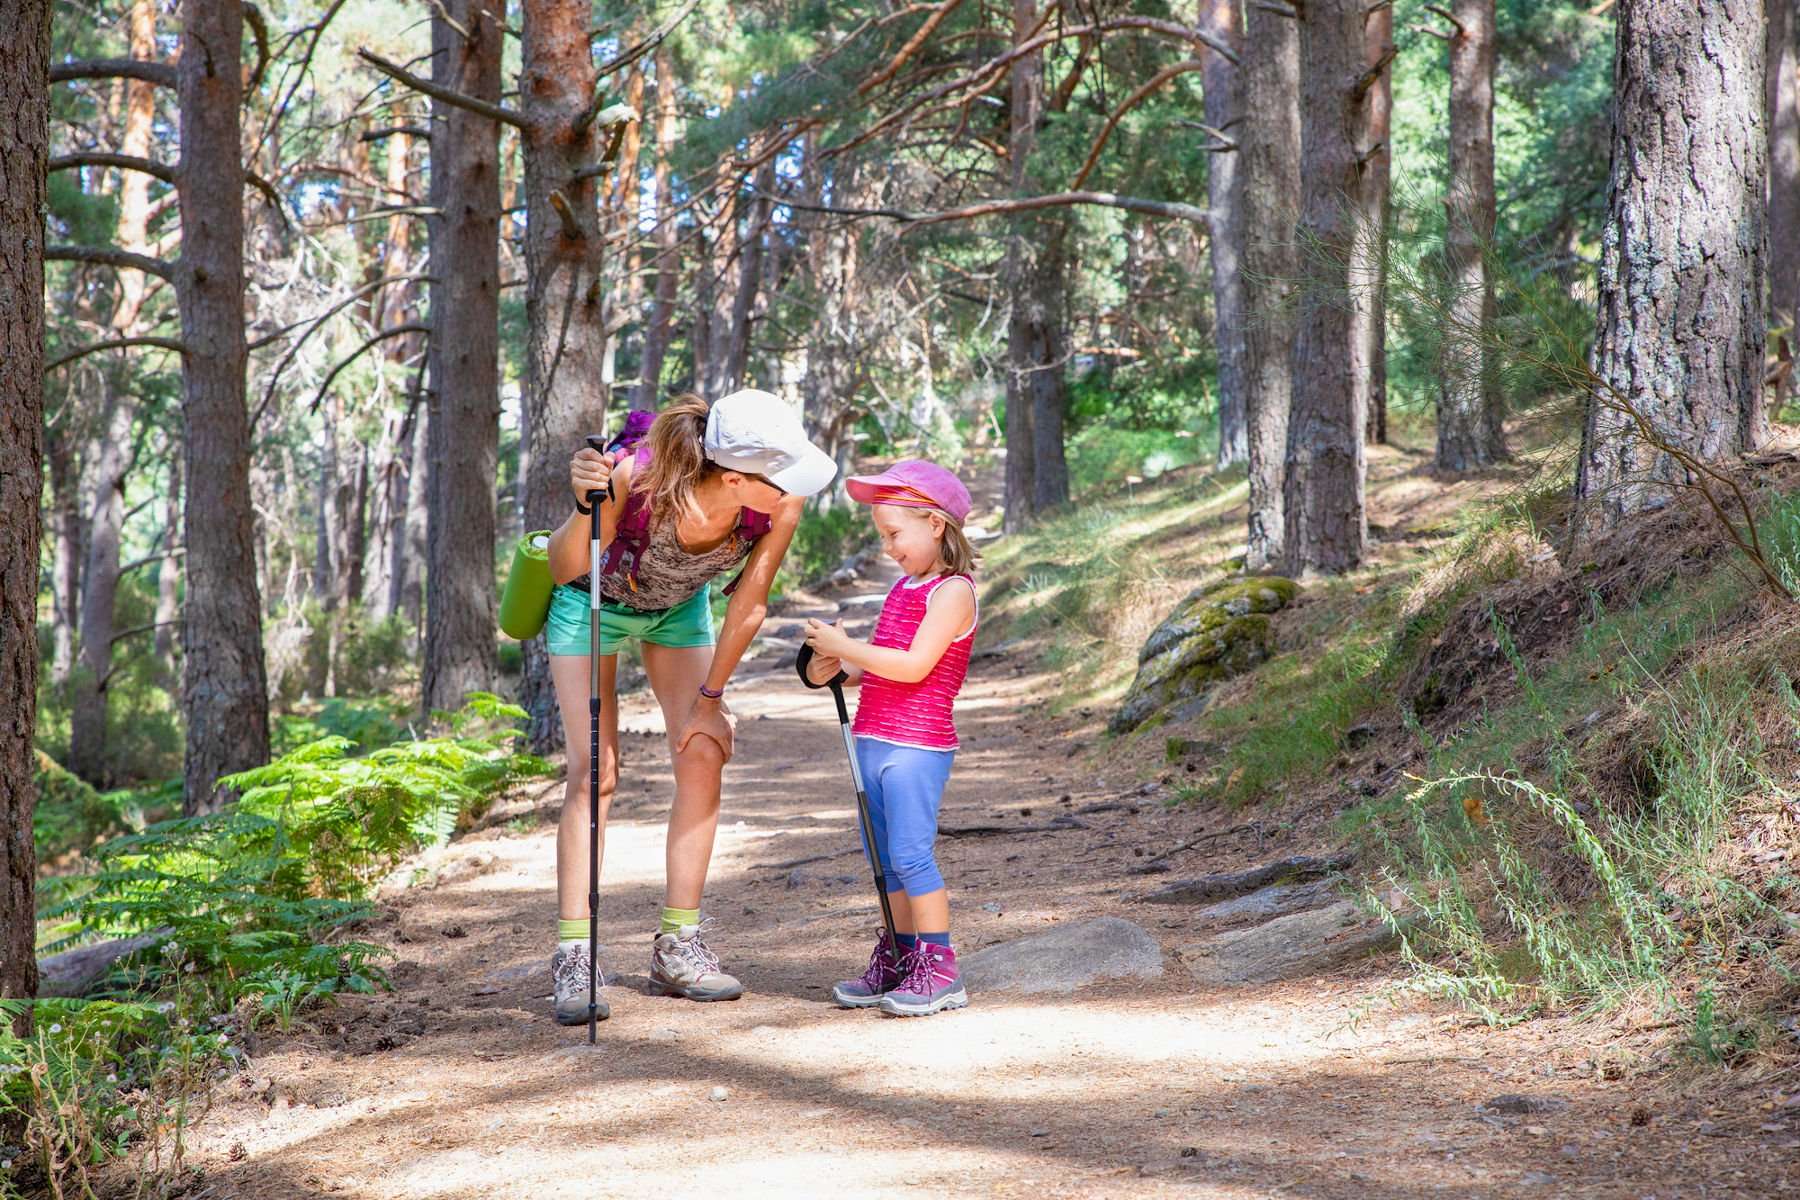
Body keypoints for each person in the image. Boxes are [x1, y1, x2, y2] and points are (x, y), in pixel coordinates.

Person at [543, 389, 836, 1024]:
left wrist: (711, 701)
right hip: (591, 605)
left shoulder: (777, 506)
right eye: (782, 475)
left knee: (704, 750)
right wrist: (582, 505)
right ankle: (575, 953)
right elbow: (563, 565)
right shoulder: (636, 479)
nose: (794, 487)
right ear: (734, 477)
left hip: (676, 612)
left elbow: (749, 604)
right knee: (596, 770)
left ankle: (678, 944)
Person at [801, 460, 979, 1017]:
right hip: (873, 739)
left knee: (910, 854)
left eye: (895, 534)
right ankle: (902, 955)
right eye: (883, 537)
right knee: (885, 859)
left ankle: (939, 966)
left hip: (916, 747)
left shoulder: (953, 592)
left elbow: (914, 666)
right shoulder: (904, 588)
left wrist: (849, 646)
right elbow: (878, 670)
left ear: (934, 523)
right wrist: (834, 665)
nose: (889, 548)